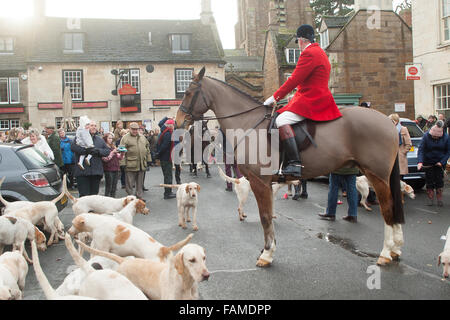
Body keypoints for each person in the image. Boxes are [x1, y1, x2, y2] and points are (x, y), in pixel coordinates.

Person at [263, 24, 342, 177]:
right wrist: (291, 97)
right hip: (314, 95)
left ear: (300, 40)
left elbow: (293, 80)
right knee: (283, 113)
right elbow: (307, 82)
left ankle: (295, 163)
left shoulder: (309, 53)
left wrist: (274, 97)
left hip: (312, 100)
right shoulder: (320, 52)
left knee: (281, 120)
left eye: (298, 41)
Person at [71, 120, 110, 197]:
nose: (94, 127)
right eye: (92, 125)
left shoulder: (99, 140)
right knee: (84, 196)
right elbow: (73, 147)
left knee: (94, 197)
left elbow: (107, 151)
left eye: (95, 126)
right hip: (83, 173)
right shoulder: (79, 138)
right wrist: (86, 151)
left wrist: (98, 151)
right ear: (86, 127)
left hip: (96, 172)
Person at [417, 120, 450, 207]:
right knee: (429, 180)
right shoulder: (426, 136)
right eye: (433, 136)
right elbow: (421, 150)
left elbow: (448, 151)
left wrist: (442, 162)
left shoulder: (446, 137)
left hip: (440, 162)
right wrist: (420, 162)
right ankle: (430, 198)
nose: (434, 137)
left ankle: (439, 198)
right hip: (428, 162)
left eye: (436, 137)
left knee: (439, 181)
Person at [120, 122, 151, 200]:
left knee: (140, 183)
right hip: (130, 164)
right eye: (133, 129)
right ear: (130, 129)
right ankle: (131, 198)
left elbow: (147, 149)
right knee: (129, 183)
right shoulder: (125, 138)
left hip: (141, 164)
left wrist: (148, 159)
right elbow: (121, 151)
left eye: (136, 129)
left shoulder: (142, 137)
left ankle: (139, 197)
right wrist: (122, 163)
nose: (135, 131)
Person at [157, 117, 176, 199]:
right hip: (166, 157)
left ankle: (168, 192)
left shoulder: (164, 131)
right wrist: (158, 154)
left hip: (164, 157)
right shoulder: (168, 133)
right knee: (168, 176)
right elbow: (165, 146)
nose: (174, 126)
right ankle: (167, 193)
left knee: (167, 175)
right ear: (170, 125)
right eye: (173, 125)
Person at [389, 113, 412, 180]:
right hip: (391, 157)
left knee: (400, 180)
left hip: (400, 157)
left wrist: (403, 152)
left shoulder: (403, 129)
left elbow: (408, 144)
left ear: (395, 121)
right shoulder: (388, 129)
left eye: (391, 120)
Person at [102, 132, 125, 198]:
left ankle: (113, 200)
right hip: (108, 169)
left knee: (114, 187)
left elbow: (119, 157)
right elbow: (105, 159)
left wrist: (122, 153)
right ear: (105, 139)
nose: (111, 140)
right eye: (109, 138)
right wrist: (112, 153)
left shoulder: (113, 146)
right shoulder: (104, 147)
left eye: (112, 138)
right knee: (109, 187)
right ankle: (106, 201)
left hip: (116, 168)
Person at [138, 125, 150, 192]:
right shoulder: (136, 138)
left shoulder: (144, 138)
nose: (141, 131)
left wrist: (149, 159)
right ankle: (139, 187)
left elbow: (147, 147)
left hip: (144, 159)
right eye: (140, 130)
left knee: (143, 174)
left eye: (142, 130)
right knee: (138, 175)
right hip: (137, 159)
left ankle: (142, 186)